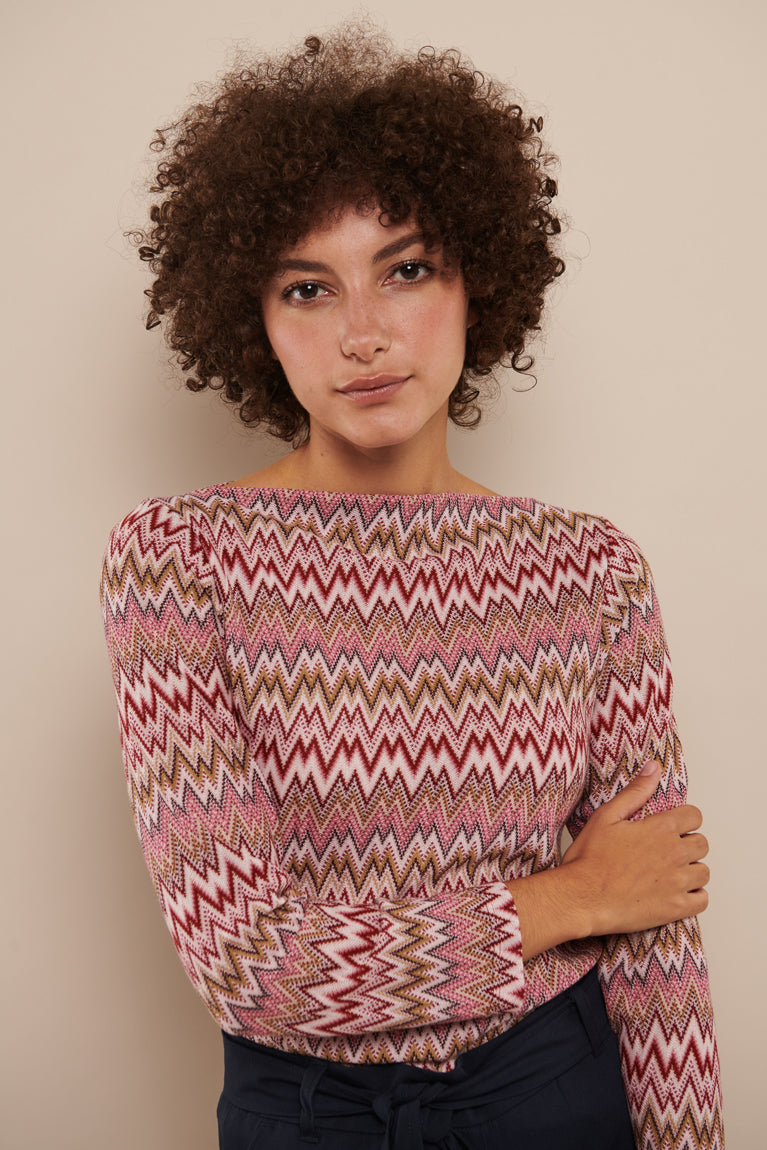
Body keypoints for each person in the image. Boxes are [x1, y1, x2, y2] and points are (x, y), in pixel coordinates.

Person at [101, 26, 723, 1150]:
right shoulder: (178, 559)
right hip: (306, 1113)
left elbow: (656, 929)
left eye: (406, 269)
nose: (364, 334)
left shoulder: (590, 571)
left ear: (477, 279)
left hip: (555, 1090)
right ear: (254, 322)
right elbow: (250, 963)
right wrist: (571, 899)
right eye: (308, 288)